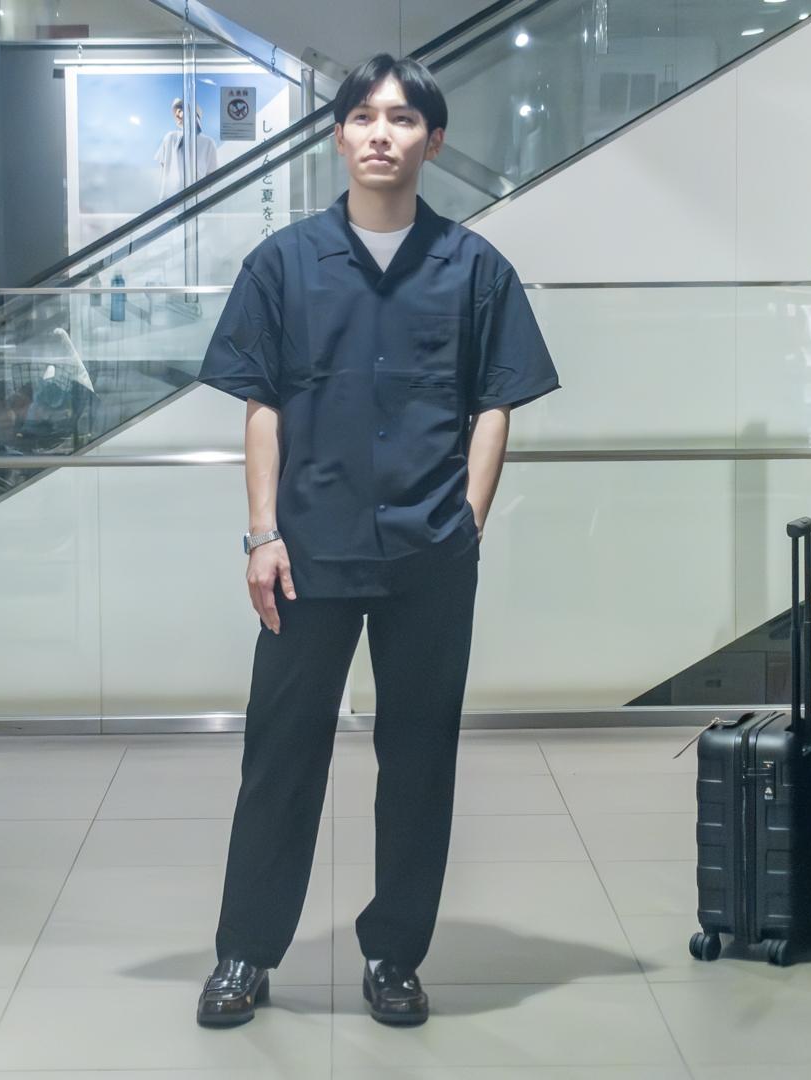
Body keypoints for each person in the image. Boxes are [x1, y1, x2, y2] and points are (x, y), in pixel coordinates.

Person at [194, 53, 560, 1028]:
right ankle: (244, 953)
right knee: (280, 755)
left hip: (428, 554)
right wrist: (261, 534)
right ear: (339, 135)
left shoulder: (474, 268)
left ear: (433, 141)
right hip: (307, 554)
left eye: (402, 118)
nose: (381, 134)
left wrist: (468, 518)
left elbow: (496, 402)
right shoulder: (283, 264)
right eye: (363, 116)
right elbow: (261, 405)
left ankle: (394, 954)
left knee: (420, 758)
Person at [155, 98, 219, 200]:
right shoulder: (170, 137)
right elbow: (163, 167)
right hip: (170, 200)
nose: (178, 113)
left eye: (181, 110)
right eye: (177, 111)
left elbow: (212, 175)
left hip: (197, 199)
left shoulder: (208, 143)